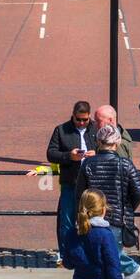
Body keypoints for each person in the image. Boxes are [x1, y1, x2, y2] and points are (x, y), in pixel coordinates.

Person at [77, 124, 140, 279]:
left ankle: (127, 272)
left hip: (93, 216)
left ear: (98, 142)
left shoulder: (88, 164)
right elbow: (138, 191)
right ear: (117, 143)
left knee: (103, 255)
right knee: (111, 254)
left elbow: (80, 193)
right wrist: (127, 208)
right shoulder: (125, 164)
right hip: (118, 218)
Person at [46, 101, 99, 259]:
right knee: (67, 220)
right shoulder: (62, 130)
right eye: (78, 120)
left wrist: (96, 153)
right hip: (70, 182)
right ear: (73, 116)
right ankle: (66, 254)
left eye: (85, 120)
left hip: (92, 183)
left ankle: (89, 253)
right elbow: (51, 153)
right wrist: (69, 156)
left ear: (90, 117)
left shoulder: (96, 128)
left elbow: (108, 147)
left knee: (93, 219)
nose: (82, 123)